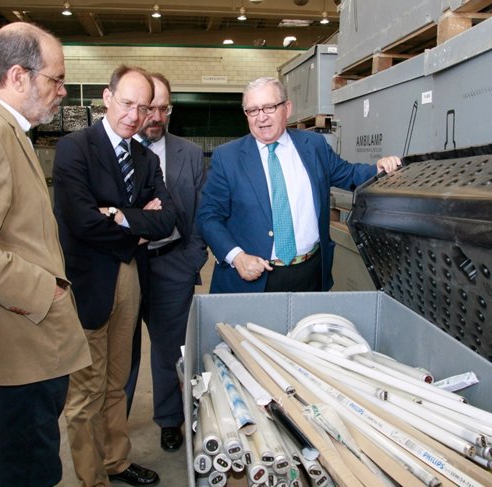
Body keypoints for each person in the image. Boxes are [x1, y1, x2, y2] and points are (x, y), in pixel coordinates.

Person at [0, 22, 91, 487]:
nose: (62, 91)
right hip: (16, 343)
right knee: (26, 472)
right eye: (55, 79)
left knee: (1, 465)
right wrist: (42, 291)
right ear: (17, 75)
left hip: (17, 344)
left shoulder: (0, 126)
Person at [53, 65, 181, 487]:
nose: (134, 114)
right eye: (127, 103)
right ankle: (93, 479)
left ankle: (117, 461)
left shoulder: (144, 158)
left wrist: (115, 214)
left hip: (128, 278)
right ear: (107, 98)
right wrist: (134, 225)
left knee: (116, 382)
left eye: (143, 107)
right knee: (84, 392)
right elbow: (79, 221)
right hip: (88, 282)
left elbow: (168, 220)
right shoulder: (75, 148)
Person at [196, 76, 401, 294]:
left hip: (310, 273)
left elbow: (348, 174)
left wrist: (378, 169)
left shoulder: (313, 146)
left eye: (269, 107)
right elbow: (208, 217)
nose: (261, 117)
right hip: (252, 279)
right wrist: (237, 257)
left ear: (287, 108)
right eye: (253, 110)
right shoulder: (228, 158)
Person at [125, 73, 208, 452]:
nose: (156, 116)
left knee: (169, 350)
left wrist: (193, 258)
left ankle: (169, 419)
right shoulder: (115, 150)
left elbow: (203, 211)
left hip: (173, 264)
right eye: (150, 108)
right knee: (120, 353)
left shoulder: (189, 154)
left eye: (164, 108)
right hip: (124, 264)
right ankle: (113, 429)